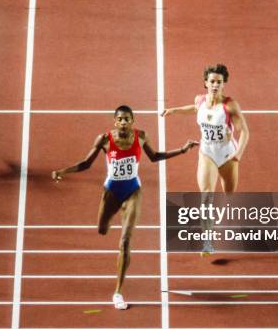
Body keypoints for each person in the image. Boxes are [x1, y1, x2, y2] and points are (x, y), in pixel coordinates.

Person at [52, 105, 198, 310]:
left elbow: (155, 157)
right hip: (111, 191)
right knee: (102, 229)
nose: (123, 122)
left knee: (125, 242)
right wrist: (63, 171)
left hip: (132, 190)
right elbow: (86, 164)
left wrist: (181, 150)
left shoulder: (141, 137)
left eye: (127, 119)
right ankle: (113, 213)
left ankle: (118, 292)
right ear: (114, 121)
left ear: (132, 120)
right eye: (119, 119)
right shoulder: (103, 139)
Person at [162, 64, 249, 253]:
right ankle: (207, 241)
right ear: (205, 83)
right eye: (212, 81)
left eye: (219, 81)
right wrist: (174, 110)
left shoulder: (229, 105)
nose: (215, 84)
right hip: (207, 153)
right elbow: (193, 108)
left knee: (228, 196)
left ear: (224, 83)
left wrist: (238, 155)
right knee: (206, 197)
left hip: (227, 155)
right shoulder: (200, 100)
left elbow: (245, 132)